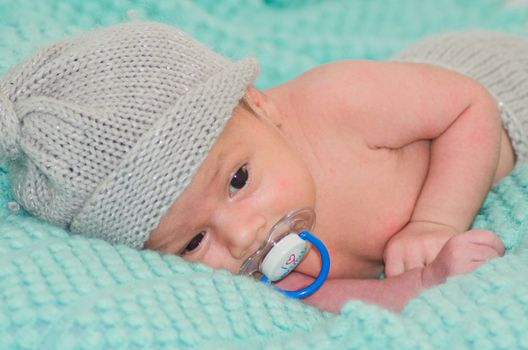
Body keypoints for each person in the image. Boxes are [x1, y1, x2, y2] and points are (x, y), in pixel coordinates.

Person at [0, 22, 511, 313]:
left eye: (238, 180)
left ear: (259, 105)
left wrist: (436, 222)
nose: (243, 236)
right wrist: (413, 287)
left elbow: (470, 107)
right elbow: (322, 295)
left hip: (504, 86)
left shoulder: (343, 103)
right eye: (192, 242)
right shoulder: (252, 267)